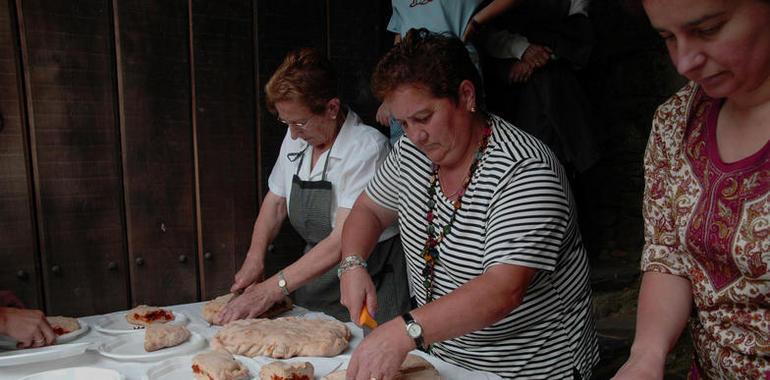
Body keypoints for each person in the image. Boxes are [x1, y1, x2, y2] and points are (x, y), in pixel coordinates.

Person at [337, 29, 598, 380]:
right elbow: (370, 210)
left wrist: (405, 331)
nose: (414, 135)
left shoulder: (523, 171)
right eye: (403, 123)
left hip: (530, 369)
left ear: (466, 95)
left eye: (424, 117)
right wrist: (353, 263)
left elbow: (501, 290)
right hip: (446, 362)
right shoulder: (411, 153)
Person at [613, 0, 770, 378]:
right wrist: (646, 355)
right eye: (668, 37)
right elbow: (667, 253)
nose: (684, 63)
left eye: (708, 29)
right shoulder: (674, 121)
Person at [217, 48, 410, 324]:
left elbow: (340, 241)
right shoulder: (296, 136)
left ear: (332, 108)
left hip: (369, 289)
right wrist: (254, 256)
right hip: (315, 285)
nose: (293, 133)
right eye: (286, 122)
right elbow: (275, 203)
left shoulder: (366, 148)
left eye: (300, 123)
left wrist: (270, 290)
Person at [377, 0, 521, 144]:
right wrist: (390, 91)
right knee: (404, 140)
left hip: (452, 69)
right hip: (407, 79)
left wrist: (476, 22)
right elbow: (400, 34)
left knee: (462, 137)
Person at [483, 0, 599, 174]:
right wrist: (520, 52)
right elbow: (480, 32)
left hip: (560, 81)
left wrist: (539, 55)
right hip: (509, 92)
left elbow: (579, 28)